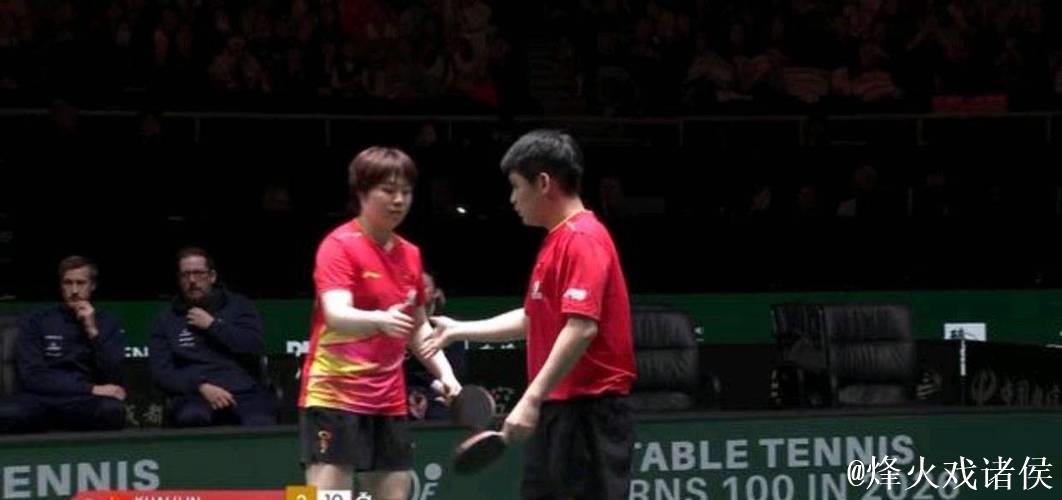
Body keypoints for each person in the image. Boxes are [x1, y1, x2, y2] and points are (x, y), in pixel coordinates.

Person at [422, 129, 637, 499]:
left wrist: (531, 398)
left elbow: (581, 328)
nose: (512, 199)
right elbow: (533, 318)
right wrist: (459, 329)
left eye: (516, 187)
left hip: (588, 412)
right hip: (557, 408)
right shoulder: (556, 241)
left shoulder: (583, 239)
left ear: (543, 183)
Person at [298, 146, 462, 500]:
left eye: (406, 192)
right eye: (388, 191)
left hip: (388, 398)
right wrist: (380, 320)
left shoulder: (411, 254)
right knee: (326, 497)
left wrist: (446, 374)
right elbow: (336, 313)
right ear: (361, 192)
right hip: (333, 394)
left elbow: (418, 327)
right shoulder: (338, 246)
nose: (398, 200)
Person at [149, 247, 277, 427]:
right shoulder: (166, 319)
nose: (192, 280)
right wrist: (200, 386)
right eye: (185, 275)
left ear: (212, 276)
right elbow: (162, 373)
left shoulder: (239, 307)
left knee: (260, 421)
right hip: (194, 394)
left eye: (198, 273)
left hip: (243, 391)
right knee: (192, 417)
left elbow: (253, 346)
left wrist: (213, 326)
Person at [0, 256, 127, 433]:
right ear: (61, 285)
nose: (74, 290)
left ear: (92, 285)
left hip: (83, 402)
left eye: (81, 283)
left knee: (113, 411)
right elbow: (32, 377)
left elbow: (113, 374)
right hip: (43, 399)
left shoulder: (107, 323)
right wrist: (91, 388)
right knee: (9, 413)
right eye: (68, 283)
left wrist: (92, 331)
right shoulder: (37, 321)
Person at [404, 271, 467, 421]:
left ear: (437, 292)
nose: (416, 291)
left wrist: (434, 388)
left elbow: (456, 371)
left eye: (423, 286)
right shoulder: (395, 326)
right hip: (401, 395)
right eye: (412, 287)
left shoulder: (448, 328)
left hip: (437, 398)